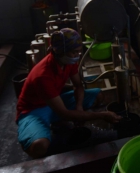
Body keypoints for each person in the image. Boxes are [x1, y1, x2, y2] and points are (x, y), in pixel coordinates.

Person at [16, 28, 121, 158]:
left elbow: (78, 85)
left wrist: (79, 107)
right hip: (34, 110)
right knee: (40, 146)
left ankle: (59, 123)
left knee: (97, 96)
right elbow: (64, 113)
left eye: (78, 51)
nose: (77, 55)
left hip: (55, 101)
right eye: (74, 52)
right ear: (60, 52)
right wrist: (101, 115)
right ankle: (50, 135)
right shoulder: (42, 75)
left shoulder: (68, 61)